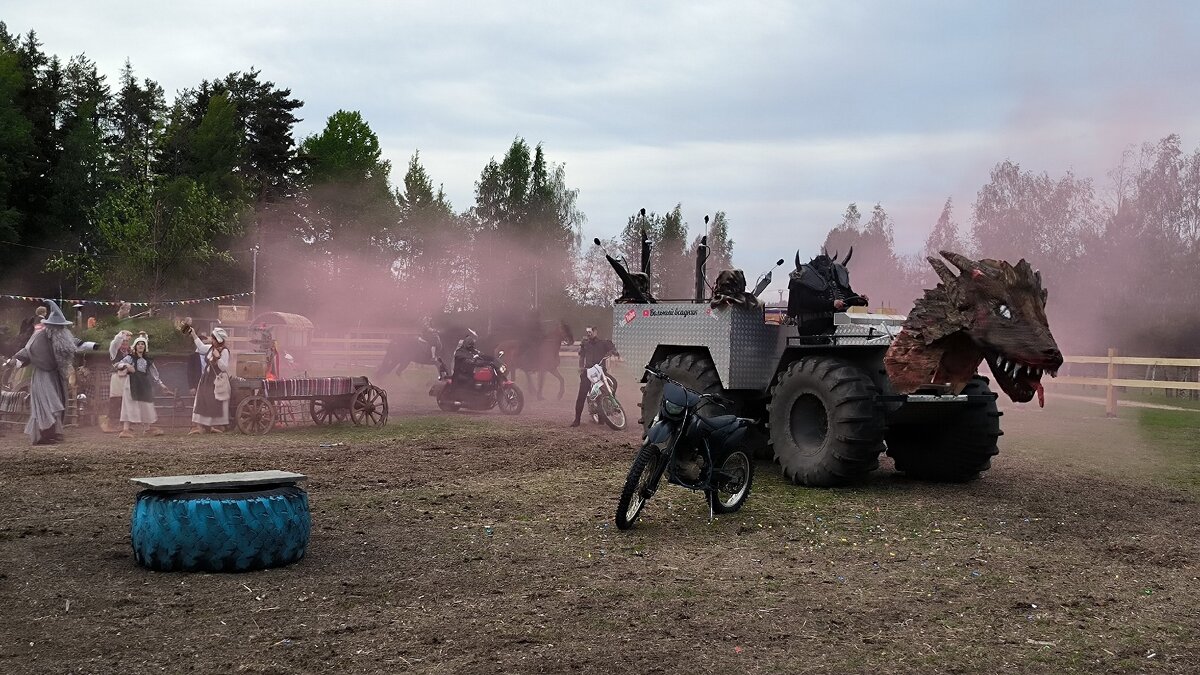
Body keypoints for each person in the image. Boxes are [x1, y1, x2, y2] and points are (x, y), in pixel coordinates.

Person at [7, 300, 100, 445]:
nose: (59, 329)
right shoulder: (39, 337)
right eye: (57, 326)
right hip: (43, 375)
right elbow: (27, 350)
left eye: (61, 326)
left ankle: (53, 433)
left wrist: (93, 345)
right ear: (50, 326)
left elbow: (76, 343)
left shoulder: (63, 336)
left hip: (57, 375)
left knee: (58, 404)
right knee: (48, 403)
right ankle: (43, 434)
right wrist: (15, 360)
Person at [116, 334, 170, 438]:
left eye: (142, 344)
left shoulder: (147, 360)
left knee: (147, 405)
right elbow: (118, 365)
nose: (140, 346)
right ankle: (125, 430)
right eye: (138, 344)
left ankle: (148, 429)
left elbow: (154, 373)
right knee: (129, 406)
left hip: (144, 384)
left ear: (145, 347)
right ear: (135, 346)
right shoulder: (129, 358)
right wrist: (127, 365)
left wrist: (161, 384)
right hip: (131, 384)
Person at [188, 326, 230, 434]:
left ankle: (210, 426)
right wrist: (193, 334)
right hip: (206, 379)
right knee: (201, 401)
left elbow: (224, 367)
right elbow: (201, 347)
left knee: (212, 403)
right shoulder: (210, 348)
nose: (212, 340)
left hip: (215, 381)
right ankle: (200, 426)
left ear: (218, 339)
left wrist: (218, 358)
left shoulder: (224, 351)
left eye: (214, 339)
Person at [571, 326, 616, 427]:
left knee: (612, 384)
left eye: (591, 332)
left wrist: (612, 351)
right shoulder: (585, 344)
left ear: (596, 332)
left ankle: (605, 413)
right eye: (587, 332)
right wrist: (581, 368)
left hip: (601, 372)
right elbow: (582, 356)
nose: (589, 334)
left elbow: (613, 348)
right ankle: (577, 419)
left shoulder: (603, 343)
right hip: (588, 372)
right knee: (581, 395)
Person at [101, 330, 133, 433]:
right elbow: (115, 342)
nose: (124, 343)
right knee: (115, 400)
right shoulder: (114, 351)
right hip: (117, 377)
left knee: (127, 401)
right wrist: (122, 333)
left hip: (128, 377)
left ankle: (123, 424)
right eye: (123, 341)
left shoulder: (130, 352)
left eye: (126, 341)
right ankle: (109, 424)